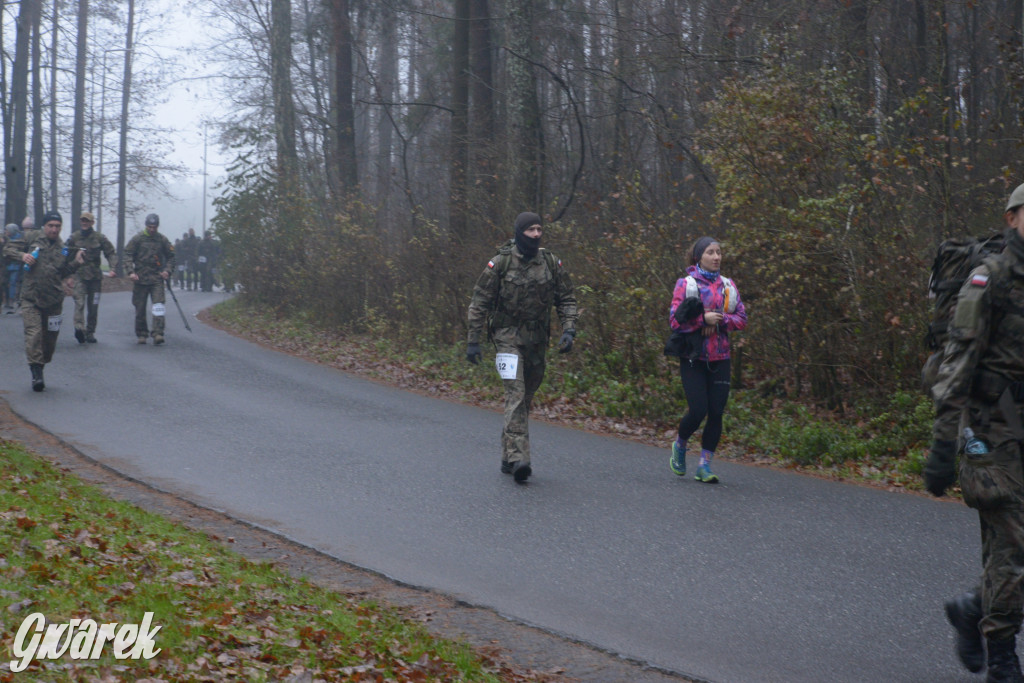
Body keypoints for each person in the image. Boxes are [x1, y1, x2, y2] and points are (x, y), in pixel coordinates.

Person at [926, 182, 1024, 682]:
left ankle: (971, 608)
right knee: (1013, 545)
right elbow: (956, 362)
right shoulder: (989, 279)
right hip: (992, 431)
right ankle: (1003, 656)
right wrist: (944, 442)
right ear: (1012, 219)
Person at [466, 212, 578, 483]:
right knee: (515, 394)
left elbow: (566, 298)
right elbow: (479, 302)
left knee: (524, 399)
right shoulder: (500, 263)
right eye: (531, 230)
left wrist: (569, 329)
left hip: (537, 340)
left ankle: (507, 455)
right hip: (506, 337)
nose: (537, 234)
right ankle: (519, 459)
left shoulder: (551, 262)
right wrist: (473, 340)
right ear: (519, 233)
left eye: (540, 229)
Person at [667, 236, 747, 483]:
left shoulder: (728, 286)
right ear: (698, 257)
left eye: (719, 252)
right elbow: (674, 320)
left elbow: (742, 319)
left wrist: (719, 320)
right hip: (693, 356)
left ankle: (704, 466)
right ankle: (680, 446)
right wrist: (703, 321)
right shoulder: (686, 284)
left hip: (720, 357)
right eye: (711, 252)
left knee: (716, 412)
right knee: (698, 409)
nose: (716, 257)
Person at [2, 210, 84, 390]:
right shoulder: (31, 237)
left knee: (49, 342)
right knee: (34, 334)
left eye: (57, 226)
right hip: (31, 298)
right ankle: (36, 374)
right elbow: (8, 248)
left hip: (54, 300)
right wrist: (22, 256)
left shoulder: (63, 247)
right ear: (44, 226)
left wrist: (76, 263)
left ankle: (41, 363)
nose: (54, 230)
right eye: (51, 226)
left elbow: (61, 272)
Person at [65, 211, 118, 344]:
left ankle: (90, 332)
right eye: (82, 220)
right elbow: (66, 255)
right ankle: (79, 329)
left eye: (87, 221)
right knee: (79, 303)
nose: (84, 223)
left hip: (95, 278)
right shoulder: (74, 237)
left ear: (92, 223)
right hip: (79, 276)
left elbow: (110, 253)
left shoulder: (99, 238)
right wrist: (68, 275)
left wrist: (112, 268)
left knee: (93, 307)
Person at [124, 213, 175, 345]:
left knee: (158, 305)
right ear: (146, 226)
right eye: (150, 226)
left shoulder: (162, 240)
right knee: (140, 308)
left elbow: (171, 256)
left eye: (154, 227)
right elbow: (128, 254)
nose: (152, 229)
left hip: (156, 278)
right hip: (140, 278)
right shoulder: (137, 239)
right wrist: (131, 271)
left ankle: (158, 332)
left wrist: (167, 271)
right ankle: (142, 333)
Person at [3, 223, 23, 313]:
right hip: (7, 264)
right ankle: (8, 301)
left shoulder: (20, 239)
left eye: (7, 230)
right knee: (6, 283)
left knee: (13, 282)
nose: (5, 232)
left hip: (17, 265)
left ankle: (13, 300)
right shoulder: (6, 239)